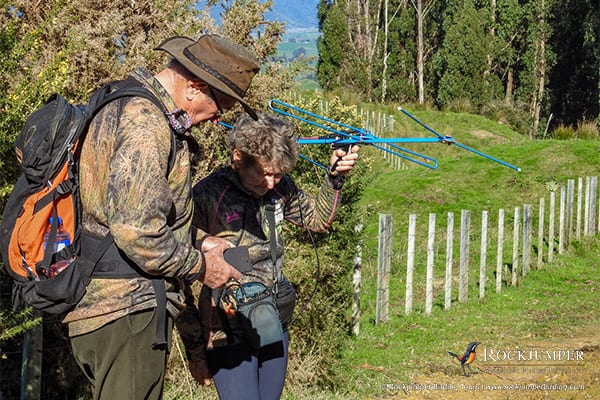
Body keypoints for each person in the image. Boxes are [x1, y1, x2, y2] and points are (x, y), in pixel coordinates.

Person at [62, 34, 260, 399]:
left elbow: (121, 210)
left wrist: (200, 239)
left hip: (103, 307)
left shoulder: (122, 100)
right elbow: (138, 232)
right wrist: (202, 266)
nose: (216, 121)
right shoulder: (146, 124)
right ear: (194, 88)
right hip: (125, 310)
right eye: (219, 109)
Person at [179, 112, 359, 399]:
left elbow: (315, 219)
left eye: (278, 174)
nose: (272, 183)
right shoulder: (207, 195)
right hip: (227, 331)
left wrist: (334, 178)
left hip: (272, 322)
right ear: (238, 157)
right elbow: (176, 262)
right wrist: (196, 350)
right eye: (264, 173)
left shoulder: (279, 189)